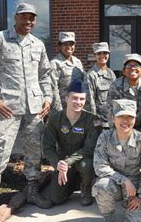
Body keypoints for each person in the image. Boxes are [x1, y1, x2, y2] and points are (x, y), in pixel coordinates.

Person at [0, 3, 53, 219]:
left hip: (34, 110)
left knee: (34, 152)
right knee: (0, 150)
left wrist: (48, 98)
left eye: (32, 18)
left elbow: (45, 74)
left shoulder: (38, 44)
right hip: (7, 108)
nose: (28, 22)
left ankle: (33, 190)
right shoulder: (0, 39)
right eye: (24, 17)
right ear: (15, 17)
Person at [93, 99, 141, 222]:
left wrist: (140, 195)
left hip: (135, 187)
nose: (125, 121)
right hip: (114, 182)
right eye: (121, 116)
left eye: (130, 117)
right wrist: (124, 180)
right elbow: (99, 166)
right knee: (101, 186)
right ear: (113, 118)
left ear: (135, 119)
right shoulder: (105, 137)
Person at [42, 79, 101, 207]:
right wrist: (58, 164)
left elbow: (90, 148)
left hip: (82, 161)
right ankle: (73, 182)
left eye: (82, 99)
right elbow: (48, 147)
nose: (78, 102)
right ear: (66, 98)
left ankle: (86, 188)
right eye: (74, 98)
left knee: (87, 165)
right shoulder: (54, 119)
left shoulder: (94, 120)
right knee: (56, 198)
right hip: (63, 163)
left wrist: (67, 161)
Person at [107, 53, 141, 139]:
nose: (133, 68)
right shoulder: (115, 86)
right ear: (123, 71)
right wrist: (120, 135)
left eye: (136, 65)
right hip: (122, 128)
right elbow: (111, 114)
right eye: (129, 65)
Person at [50, 32, 86, 112]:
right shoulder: (55, 64)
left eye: (71, 44)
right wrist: (59, 112)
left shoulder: (77, 62)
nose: (69, 47)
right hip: (63, 108)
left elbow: (83, 84)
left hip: (77, 107)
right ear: (60, 46)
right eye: (65, 44)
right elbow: (53, 89)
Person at [85, 42, 116, 128]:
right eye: (99, 53)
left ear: (108, 55)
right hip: (100, 122)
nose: (102, 56)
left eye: (105, 53)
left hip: (112, 120)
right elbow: (89, 101)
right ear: (95, 56)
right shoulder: (91, 75)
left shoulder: (111, 73)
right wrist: (95, 123)